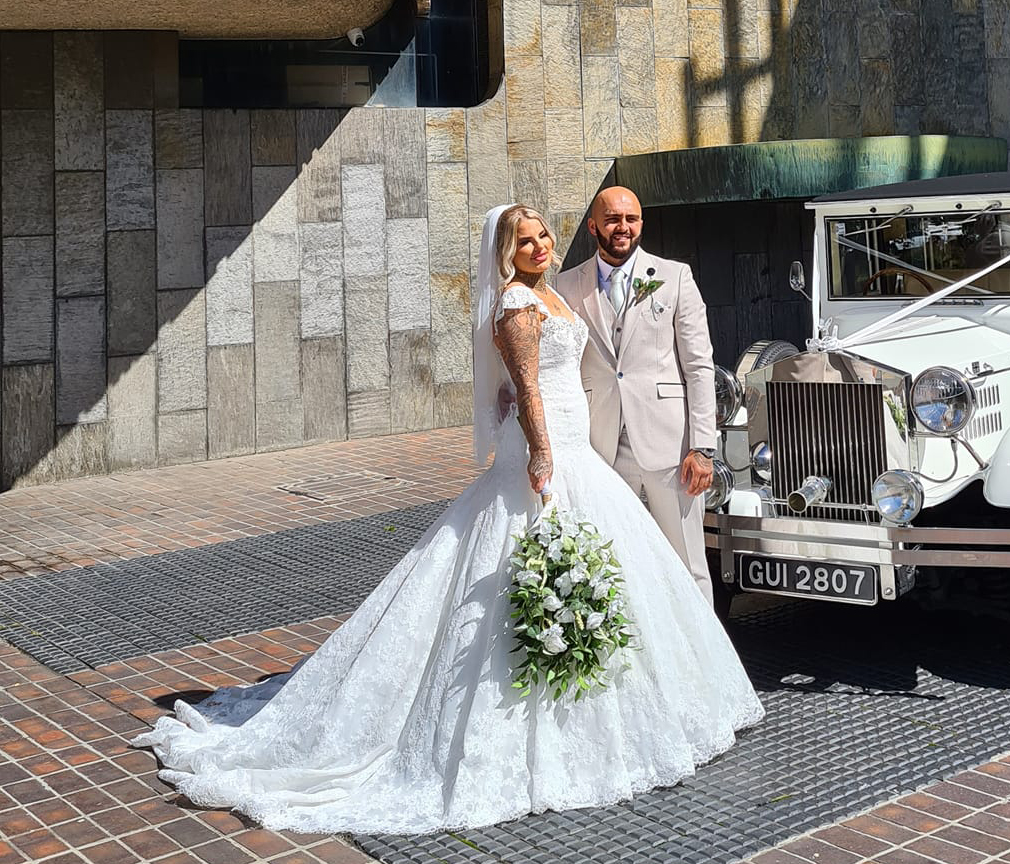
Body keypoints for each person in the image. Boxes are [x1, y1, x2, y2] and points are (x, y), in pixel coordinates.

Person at [130, 203, 763, 835]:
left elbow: (528, 382)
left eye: (543, 234)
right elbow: (529, 387)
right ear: (505, 252)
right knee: (529, 577)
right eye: (525, 240)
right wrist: (540, 452)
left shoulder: (551, 292)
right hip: (550, 457)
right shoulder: (517, 304)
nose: (540, 245)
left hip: (585, 451)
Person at [556, 187, 721, 606]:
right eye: (612, 219)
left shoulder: (675, 276)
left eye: (631, 219)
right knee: (611, 561)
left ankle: (703, 661)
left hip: (672, 447)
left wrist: (703, 447)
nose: (622, 228)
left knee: (688, 564)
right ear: (593, 226)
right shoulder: (565, 286)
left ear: (641, 224)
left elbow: (699, 366)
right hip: (600, 448)